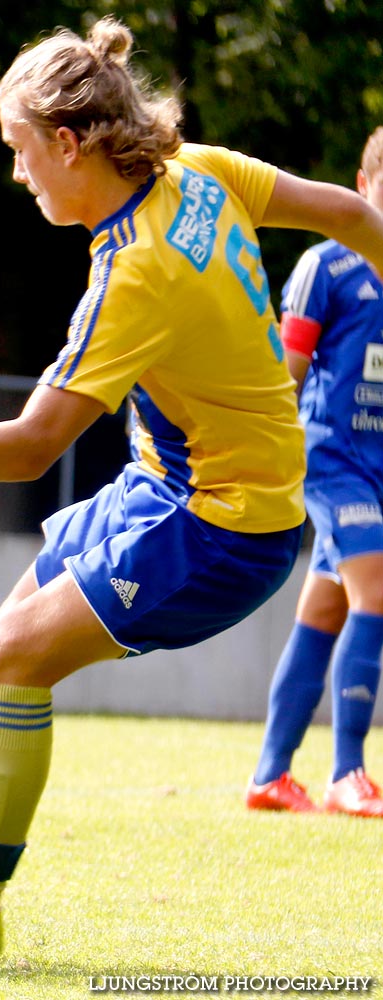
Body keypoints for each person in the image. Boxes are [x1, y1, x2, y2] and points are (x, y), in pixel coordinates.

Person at [0, 17, 383, 967]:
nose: (16, 174)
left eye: (20, 152)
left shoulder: (132, 270)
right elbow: (353, 219)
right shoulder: (195, 168)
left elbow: (30, 449)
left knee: (16, 658)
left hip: (226, 524)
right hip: (165, 482)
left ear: (69, 143)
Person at [245, 128, 383, 819]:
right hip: (330, 459)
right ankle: (347, 771)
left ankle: (270, 775)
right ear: (363, 188)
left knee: (323, 612)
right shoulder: (325, 269)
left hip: (378, 474)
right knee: (376, 589)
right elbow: (284, 376)